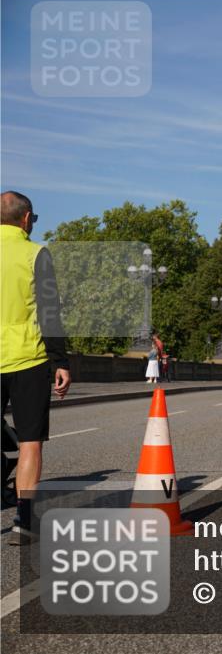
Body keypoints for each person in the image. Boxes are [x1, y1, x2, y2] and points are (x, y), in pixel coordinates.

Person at [1, 191, 72, 544]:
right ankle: (24, 521)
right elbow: (49, 311)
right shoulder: (35, 254)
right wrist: (60, 361)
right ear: (26, 218)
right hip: (28, 358)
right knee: (30, 442)